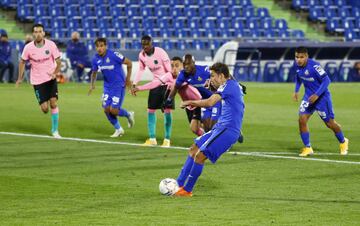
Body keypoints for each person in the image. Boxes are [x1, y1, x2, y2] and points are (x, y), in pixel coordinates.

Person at [174, 62, 245, 197]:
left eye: (212, 76)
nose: (210, 78)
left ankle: (187, 190)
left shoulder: (229, 86)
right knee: (194, 149)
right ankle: (178, 184)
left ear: (221, 75)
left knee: (200, 156)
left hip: (228, 130)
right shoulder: (230, 85)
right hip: (220, 128)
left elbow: (209, 102)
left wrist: (190, 102)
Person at [293, 47, 349, 157]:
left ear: (306, 57)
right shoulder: (296, 66)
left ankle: (343, 141)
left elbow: (327, 80)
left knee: (330, 124)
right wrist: (296, 91)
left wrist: (317, 95)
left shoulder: (314, 66)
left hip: (322, 97)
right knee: (302, 119)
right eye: (296, 57)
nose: (298, 59)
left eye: (301, 57)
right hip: (308, 97)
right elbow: (299, 77)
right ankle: (308, 147)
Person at [16, 24, 62, 138]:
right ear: (33, 34)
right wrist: (20, 78)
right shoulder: (28, 48)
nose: (38, 34)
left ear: (44, 33)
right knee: (45, 109)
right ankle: (43, 104)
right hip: (37, 81)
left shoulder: (51, 45)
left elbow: (59, 61)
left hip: (50, 78)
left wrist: (55, 73)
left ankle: (55, 130)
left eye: (40, 31)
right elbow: (22, 62)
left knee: (53, 103)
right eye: (35, 32)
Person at [131, 35, 174, 147]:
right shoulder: (142, 55)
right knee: (150, 110)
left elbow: (170, 71)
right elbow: (141, 69)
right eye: (143, 44)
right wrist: (135, 83)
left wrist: (170, 84)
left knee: (167, 111)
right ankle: (152, 138)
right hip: (155, 84)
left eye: (147, 44)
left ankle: (167, 140)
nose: (145, 47)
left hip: (167, 85)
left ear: (151, 44)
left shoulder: (161, 52)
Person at [131, 56, 184, 147]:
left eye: (176, 66)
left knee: (166, 112)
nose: (174, 68)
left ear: (182, 66)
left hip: (169, 90)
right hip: (163, 87)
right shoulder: (169, 75)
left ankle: (166, 140)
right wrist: (139, 88)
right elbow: (155, 83)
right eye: (172, 66)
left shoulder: (185, 76)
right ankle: (155, 139)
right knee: (153, 111)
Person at [88, 37, 134, 137]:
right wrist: (92, 85)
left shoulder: (114, 55)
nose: (99, 48)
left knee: (114, 110)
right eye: (97, 46)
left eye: (101, 46)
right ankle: (118, 129)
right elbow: (94, 72)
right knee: (106, 109)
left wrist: (128, 79)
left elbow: (129, 63)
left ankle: (128, 114)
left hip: (119, 85)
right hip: (107, 87)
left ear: (105, 46)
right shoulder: (96, 59)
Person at [167, 54, 215, 136]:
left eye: (188, 64)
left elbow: (221, 73)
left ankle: (231, 133)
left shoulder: (204, 70)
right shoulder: (182, 75)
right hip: (205, 101)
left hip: (217, 98)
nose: (186, 66)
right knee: (207, 126)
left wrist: (235, 84)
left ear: (193, 63)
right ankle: (212, 142)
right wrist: (169, 99)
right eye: (185, 64)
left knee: (216, 123)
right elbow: (176, 87)